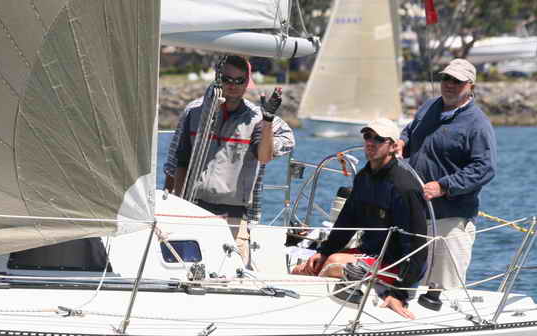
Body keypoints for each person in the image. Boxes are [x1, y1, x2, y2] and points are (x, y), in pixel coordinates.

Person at [292, 119, 427, 320]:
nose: (371, 142)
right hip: (368, 253)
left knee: (333, 263)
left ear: (392, 146)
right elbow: (347, 221)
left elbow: (418, 246)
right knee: (303, 269)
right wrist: (324, 251)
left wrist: (400, 293)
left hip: (394, 263)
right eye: (367, 136)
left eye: (379, 139)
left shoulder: (404, 187)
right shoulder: (364, 177)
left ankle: (318, 317)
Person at [168, 55, 294, 259]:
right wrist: (178, 206)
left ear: (247, 82)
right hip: (194, 210)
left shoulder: (256, 119)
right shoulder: (194, 114)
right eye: (227, 79)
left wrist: (268, 120)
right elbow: (179, 163)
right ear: (218, 79)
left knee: (233, 271)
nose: (233, 85)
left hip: (234, 215)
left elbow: (264, 157)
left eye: (239, 80)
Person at [397, 58, 496, 290]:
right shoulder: (429, 107)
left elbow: (485, 167)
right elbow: (411, 130)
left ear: (470, 86)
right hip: (416, 215)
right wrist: (402, 142)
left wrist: (444, 186)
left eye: (457, 81)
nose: (449, 85)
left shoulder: (478, 124)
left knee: (442, 290)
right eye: (446, 79)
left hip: (451, 220)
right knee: (407, 284)